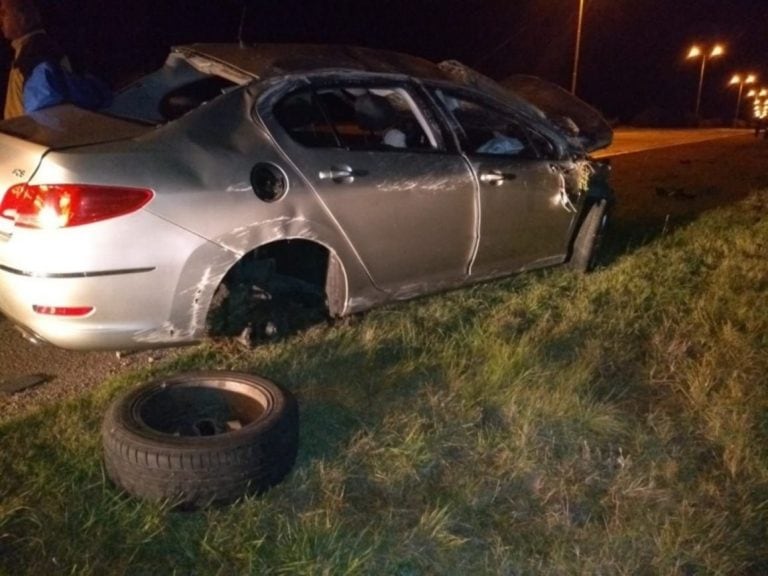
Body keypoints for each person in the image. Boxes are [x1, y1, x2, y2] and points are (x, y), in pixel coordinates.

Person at [0, 0, 73, 119]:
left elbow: (45, 114)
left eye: (4, 13)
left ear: (22, 17)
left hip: (30, 135)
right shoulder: (30, 50)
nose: (0, 21)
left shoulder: (37, 55)